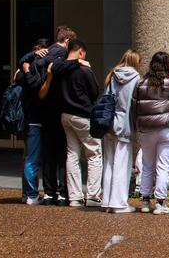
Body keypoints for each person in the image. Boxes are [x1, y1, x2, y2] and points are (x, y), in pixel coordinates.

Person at [51, 39, 102, 207]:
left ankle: (75, 197)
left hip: (65, 115)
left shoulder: (60, 68)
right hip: (83, 115)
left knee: (72, 155)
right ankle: (93, 195)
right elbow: (94, 92)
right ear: (80, 51)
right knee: (94, 154)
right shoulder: (84, 69)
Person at [34, 26, 79, 206]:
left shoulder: (40, 56)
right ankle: (61, 192)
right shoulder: (61, 56)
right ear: (67, 41)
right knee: (62, 153)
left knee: (48, 153)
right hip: (59, 108)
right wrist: (78, 62)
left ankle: (49, 192)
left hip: (44, 109)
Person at [132, 51, 169, 215]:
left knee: (147, 165)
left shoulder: (140, 83)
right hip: (165, 129)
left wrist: (136, 125)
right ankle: (160, 202)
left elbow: (134, 107)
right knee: (163, 166)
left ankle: (145, 201)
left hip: (146, 130)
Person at [102, 49, 141, 213]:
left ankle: (107, 200)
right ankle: (118, 202)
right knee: (122, 164)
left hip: (109, 123)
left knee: (109, 163)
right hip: (125, 124)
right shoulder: (136, 78)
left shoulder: (113, 76)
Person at [16, 38, 50, 205]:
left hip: (31, 120)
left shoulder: (24, 71)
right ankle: (31, 194)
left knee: (30, 157)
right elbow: (34, 84)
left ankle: (28, 193)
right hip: (33, 120)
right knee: (32, 158)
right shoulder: (30, 72)